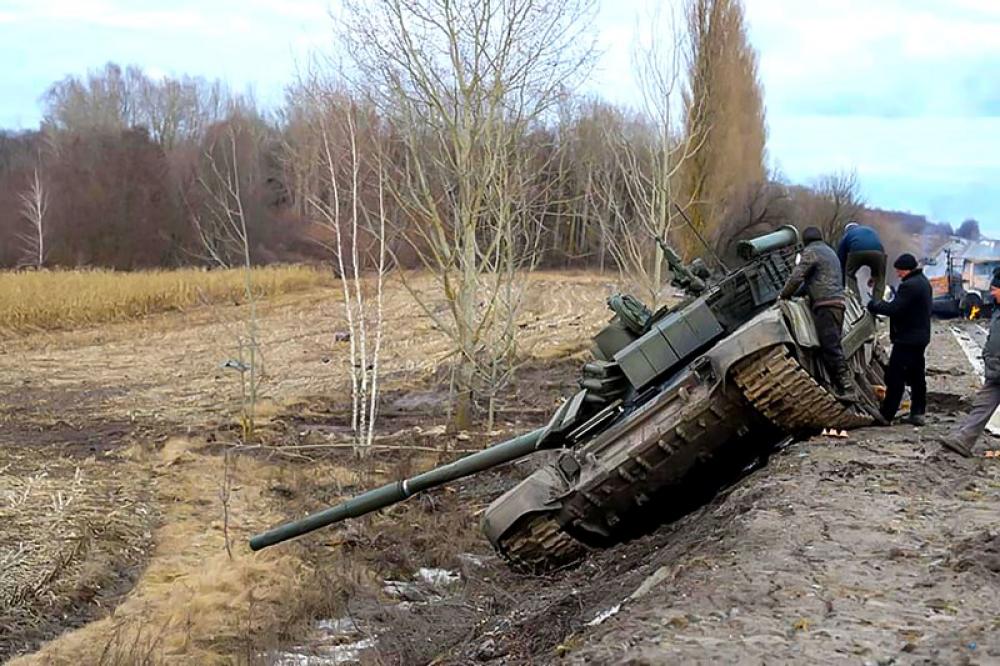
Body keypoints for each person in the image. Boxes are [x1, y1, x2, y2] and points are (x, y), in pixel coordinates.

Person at [780, 226, 857, 401]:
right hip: (837, 302)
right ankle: (840, 385)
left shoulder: (811, 252)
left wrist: (784, 295)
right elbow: (810, 282)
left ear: (805, 242)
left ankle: (847, 388)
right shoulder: (829, 252)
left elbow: (797, 277)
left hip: (826, 304)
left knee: (831, 347)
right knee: (832, 345)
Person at [866, 253, 932, 425]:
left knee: (895, 377)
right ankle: (918, 412)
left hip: (907, 339)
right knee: (917, 376)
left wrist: (875, 305)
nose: (898, 274)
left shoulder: (909, 286)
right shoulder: (923, 282)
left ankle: (886, 415)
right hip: (920, 337)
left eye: (899, 271)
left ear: (906, 269)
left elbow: (896, 308)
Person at [940, 269, 1000, 457]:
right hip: (996, 368)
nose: (991, 293)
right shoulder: (997, 310)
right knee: (983, 403)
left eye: (995, 289)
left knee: (984, 403)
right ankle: (963, 440)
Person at [838, 221, 887, 303]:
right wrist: (874, 276)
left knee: (849, 275)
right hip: (878, 253)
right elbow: (878, 249)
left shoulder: (847, 235)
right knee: (880, 278)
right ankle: (877, 305)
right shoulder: (870, 230)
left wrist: (842, 284)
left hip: (856, 251)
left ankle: (855, 300)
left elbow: (841, 261)